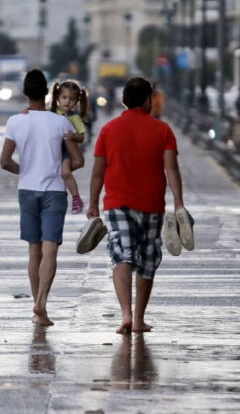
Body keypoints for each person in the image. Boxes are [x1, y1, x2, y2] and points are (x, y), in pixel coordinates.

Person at [86, 75, 185, 335]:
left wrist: (93, 203)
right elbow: (172, 169)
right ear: (147, 100)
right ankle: (139, 318)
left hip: (118, 202)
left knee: (121, 254)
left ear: (123, 101)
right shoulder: (162, 130)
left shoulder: (109, 129)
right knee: (148, 257)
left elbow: (97, 172)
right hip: (152, 203)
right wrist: (179, 204)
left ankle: (126, 315)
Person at [0, 69, 84, 326]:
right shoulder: (61, 123)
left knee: (33, 251)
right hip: (54, 192)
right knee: (50, 252)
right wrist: (63, 166)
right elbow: (78, 160)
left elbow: (4, 162)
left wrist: (24, 170)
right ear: (48, 93)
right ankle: (41, 304)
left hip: (27, 190)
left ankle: (36, 302)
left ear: (25, 93)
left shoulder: (15, 121)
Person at [50, 79, 89, 214]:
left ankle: (76, 198)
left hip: (65, 151)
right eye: (64, 97)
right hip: (50, 149)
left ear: (77, 101)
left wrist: (73, 137)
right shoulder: (51, 113)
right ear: (57, 97)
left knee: (66, 172)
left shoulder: (74, 117)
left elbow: (82, 137)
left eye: (71, 99)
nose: (67, 101)